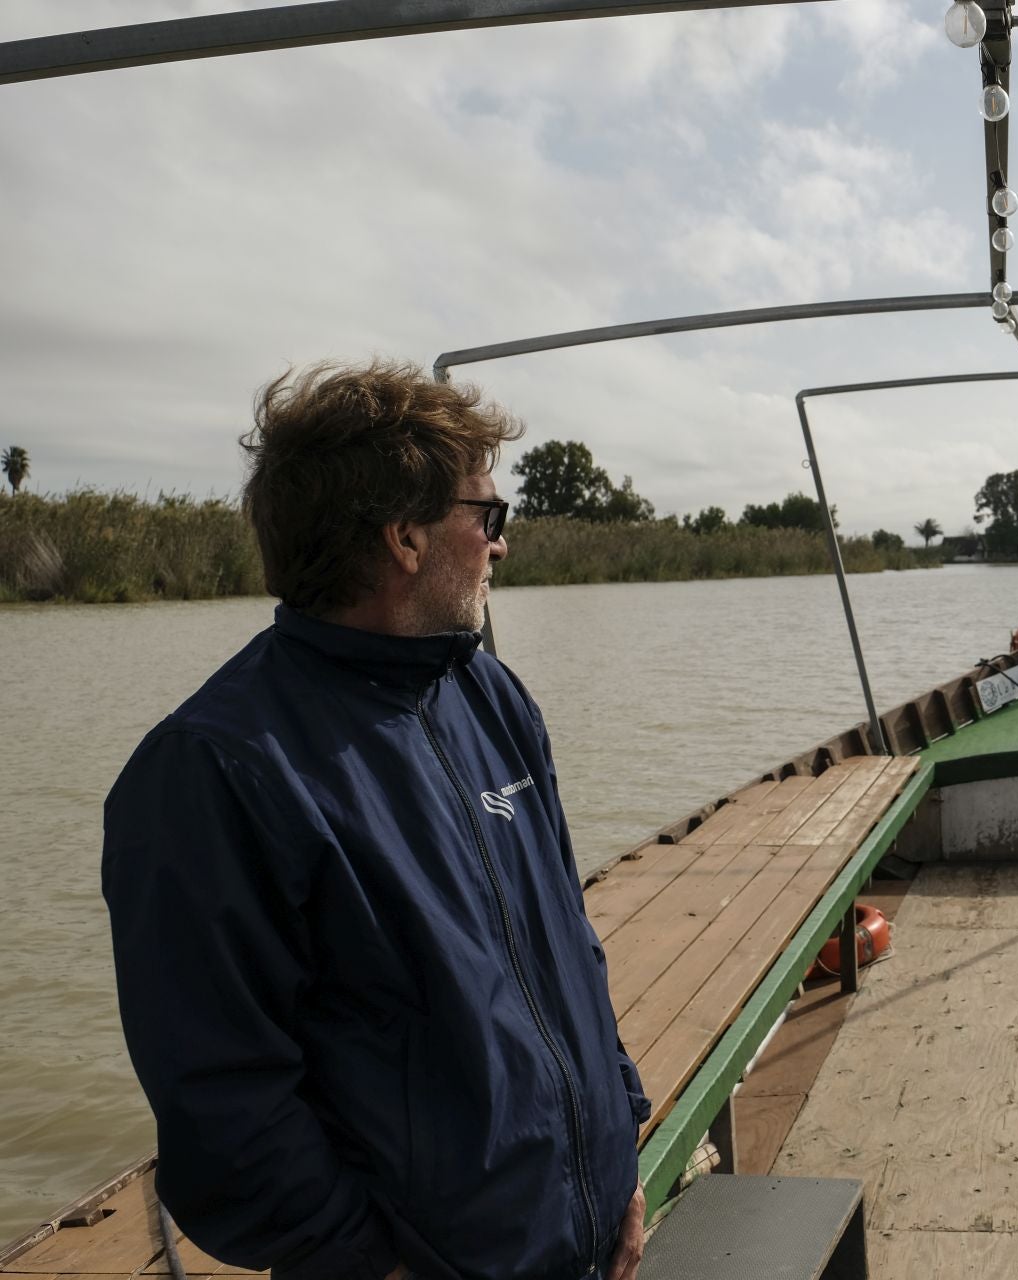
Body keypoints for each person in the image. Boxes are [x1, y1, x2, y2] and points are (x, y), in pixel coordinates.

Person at [102, 361, 649, 1280]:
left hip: (582, 1244)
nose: (499, 546)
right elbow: (224, 1106)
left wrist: (617, 1143)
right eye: (487, 517)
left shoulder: (489, 695)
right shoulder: (216, 771)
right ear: (404, 537)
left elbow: (566, 945)